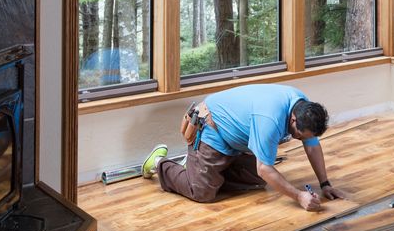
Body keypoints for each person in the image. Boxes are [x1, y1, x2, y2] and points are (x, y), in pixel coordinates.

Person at [142, 84, 345, 211]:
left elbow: (312, 147)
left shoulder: (303, 108)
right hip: (212, 130)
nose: (301, 139)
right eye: (299, 135)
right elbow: (265, 168)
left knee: (256, 181)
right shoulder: (269, 119)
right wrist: (299, 196)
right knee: (202, 192)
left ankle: (200, 168)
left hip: (237, 140)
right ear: (293, 119)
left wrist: (325, 183)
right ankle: (160, 163)